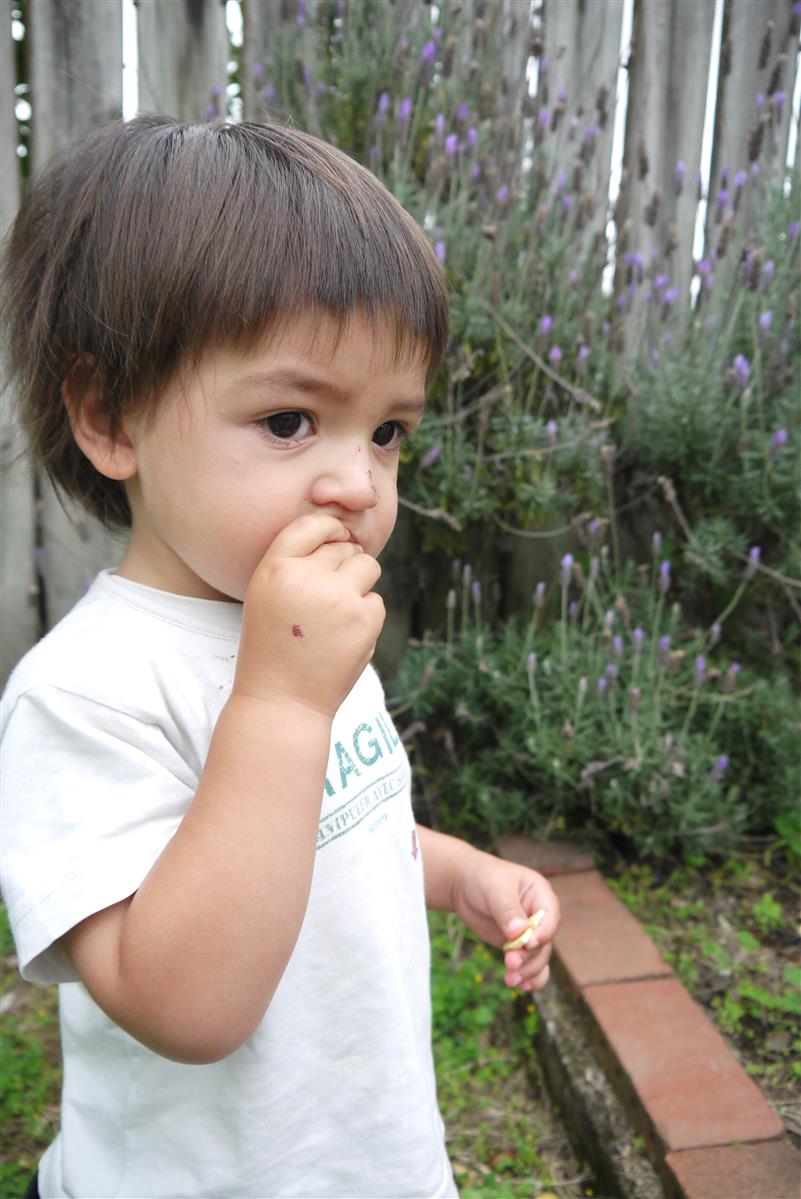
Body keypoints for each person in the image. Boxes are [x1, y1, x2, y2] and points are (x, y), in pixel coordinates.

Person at [0, 115, 559, 1199]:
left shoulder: (297, 632)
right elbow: (185, 1005)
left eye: (387, 432)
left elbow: (338, 828)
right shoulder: (87, 694)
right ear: (111, 415)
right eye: (292, 419)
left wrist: (459, 872)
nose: (358, 482)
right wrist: (281, 704)